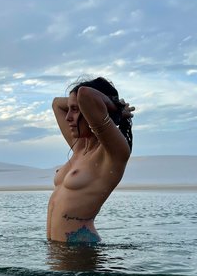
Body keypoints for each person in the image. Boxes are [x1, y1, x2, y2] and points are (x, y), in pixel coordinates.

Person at [47, 77, 135, 243]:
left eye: (75, 110)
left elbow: (85, 94)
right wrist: (76, 102)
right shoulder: (80, 148)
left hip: (83, 251)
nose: (68, 117)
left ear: (90, 110)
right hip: (59, 251)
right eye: (69, 109)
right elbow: (56, 103)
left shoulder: (112, 154)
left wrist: (114, 108)